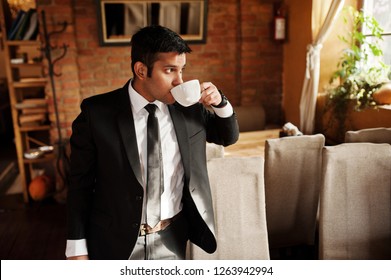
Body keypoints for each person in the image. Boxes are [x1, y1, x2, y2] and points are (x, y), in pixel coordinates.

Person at [65, 25, 239, 260]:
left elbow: (227, 137)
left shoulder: (190, 111)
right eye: (170, 70)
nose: (180, 81)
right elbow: (79, 185)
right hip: (112, 242)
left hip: (172, 238)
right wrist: (77, 249)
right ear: (141, 70)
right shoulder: (96, 114)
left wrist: (220, 102)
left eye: (182, 70)